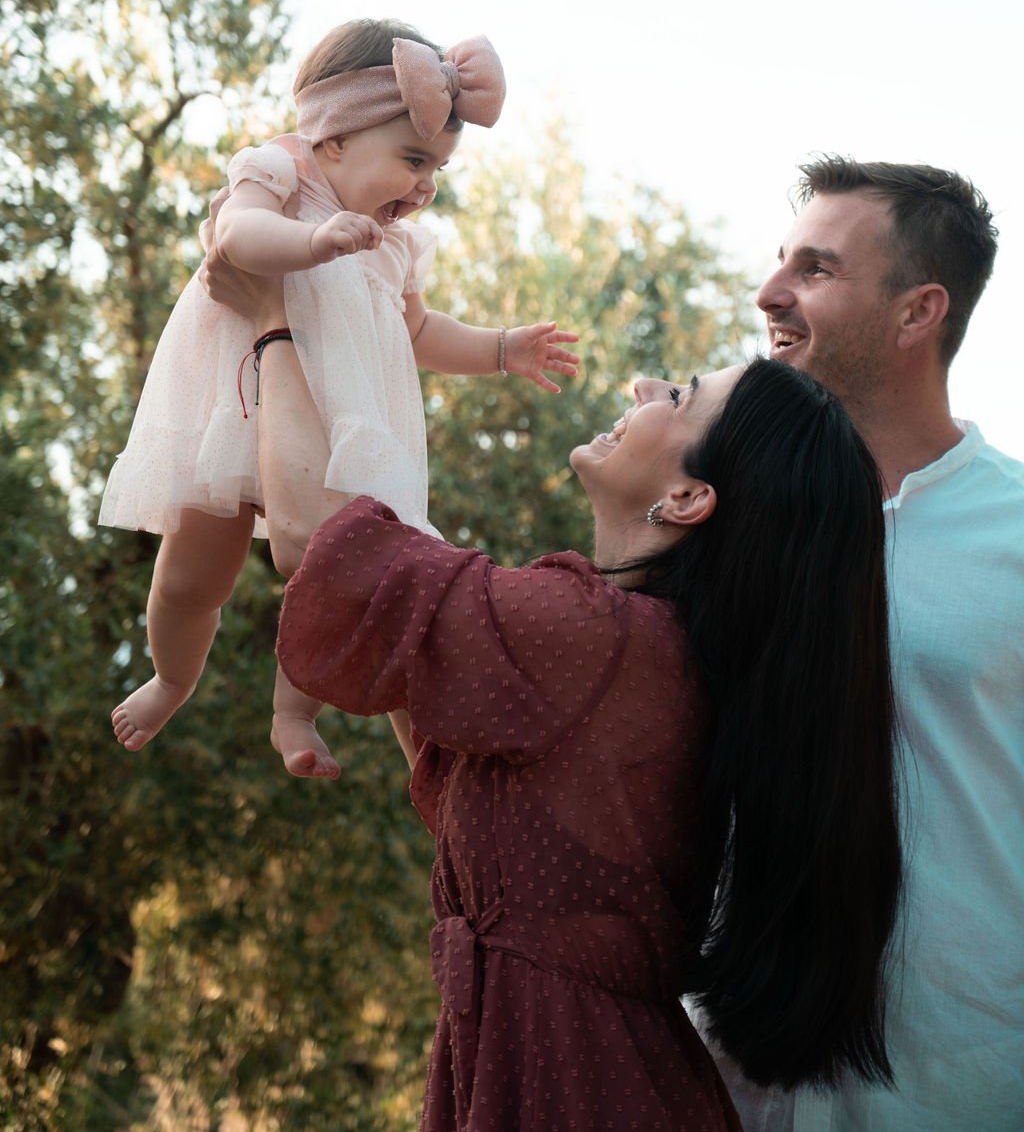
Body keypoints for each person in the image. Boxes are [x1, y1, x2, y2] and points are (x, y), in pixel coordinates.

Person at [214, 256, 903, 1132]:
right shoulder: (650, 653)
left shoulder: (595, 636)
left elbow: (311, 534)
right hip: (582, 1072)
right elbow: (452, 757)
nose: (647, 385)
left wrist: (275, 318)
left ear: (689, 497)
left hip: (569, 1081)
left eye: (681, 397)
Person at [101, 19, 579, 779]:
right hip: (236, 405)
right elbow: (237, 235)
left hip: (340, 432)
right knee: (193, 576)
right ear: (332, 141)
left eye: (439, 169)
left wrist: (498, 347)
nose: (424, 186)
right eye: (413, 158)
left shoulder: (391, 242)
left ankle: (294, 714)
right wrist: (311, 244)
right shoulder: (282, 170)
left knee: (333, 574)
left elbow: (418, 329)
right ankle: (171, 677)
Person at [706, 156, 1024, 1131]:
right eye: (777, 263)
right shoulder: (714, 519)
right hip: (725, 1086)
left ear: (915, 312)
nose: (769, 294)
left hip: (961, 1082)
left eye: (816, 269)